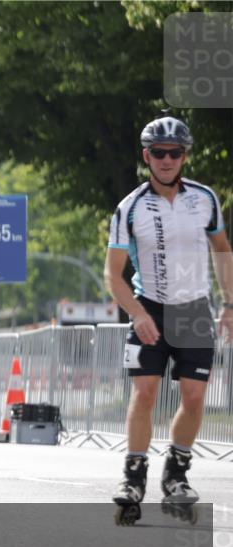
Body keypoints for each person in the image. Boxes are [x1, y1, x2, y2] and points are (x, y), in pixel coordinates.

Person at [104, 115, 231, 525]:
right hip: (151, 306)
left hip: (194, 308)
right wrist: (137, 313)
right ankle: (133, 476)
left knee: (194, 397)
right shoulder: (130, 207)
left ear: (184, 157)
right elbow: (113, 272)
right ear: (147, 156)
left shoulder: (205, 199)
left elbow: (222, 251)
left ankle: (176, 473)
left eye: (175, 153)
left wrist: (229, 304)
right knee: (145, 395)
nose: (166, 159)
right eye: (159, 153)